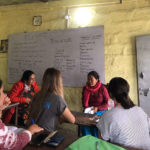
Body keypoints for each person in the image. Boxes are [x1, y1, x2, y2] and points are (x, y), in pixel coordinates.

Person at [96, 77, 150, 149]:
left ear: (110, 94)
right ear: (127, 91)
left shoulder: (108, 116)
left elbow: (102, 144)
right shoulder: (140, 110)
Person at [27, 68, 75, 132]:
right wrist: (61, 118)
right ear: (58, 82)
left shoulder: (37, 95)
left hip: (31, 131)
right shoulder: (58, 99)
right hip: (44, 134)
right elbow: (72, 120)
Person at [0, 80, 43, 150]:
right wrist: (30, 131)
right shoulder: (18, 85)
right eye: (2, 92)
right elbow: (17, 144)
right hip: (20, 113)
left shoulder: (34, 86)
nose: (5, 95)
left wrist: (0, 108)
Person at [81, 71, 110, 137]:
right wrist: (89, 109)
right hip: (90, 110)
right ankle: (87, 139)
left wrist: (97, 109)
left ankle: (95, 139)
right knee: (83, 121)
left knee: (94, 119)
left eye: (91, 79)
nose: (89, 81)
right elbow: (84, 103)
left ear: (97, 80)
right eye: (88, 79)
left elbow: (107, 103)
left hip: (101, 110)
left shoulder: (102, 88)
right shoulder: (85, 88)